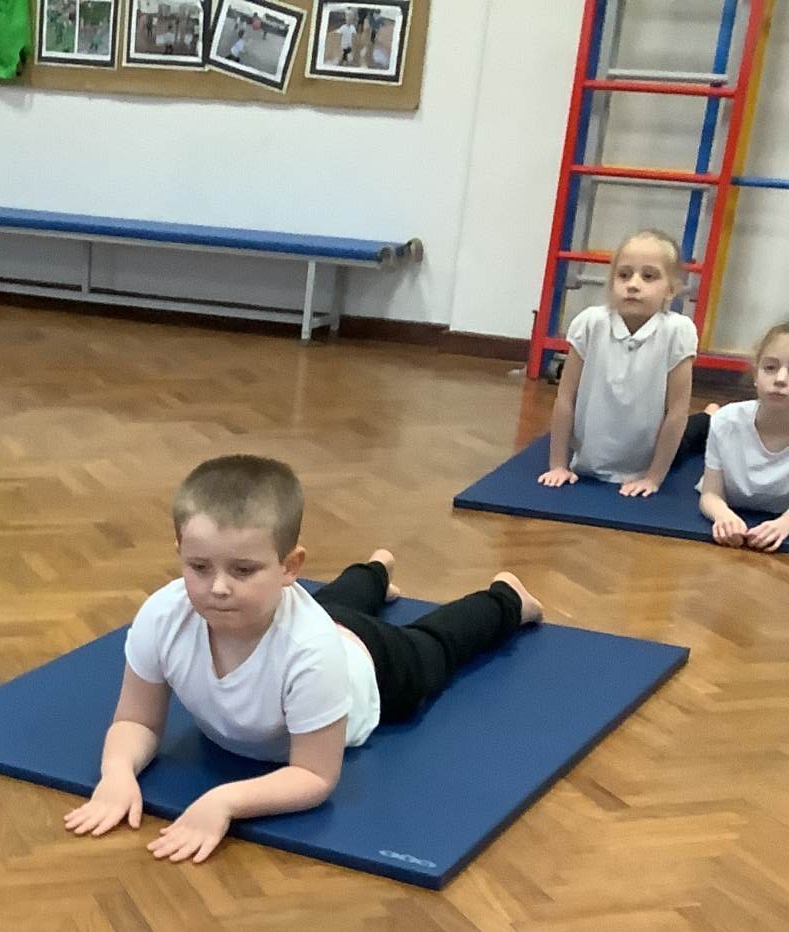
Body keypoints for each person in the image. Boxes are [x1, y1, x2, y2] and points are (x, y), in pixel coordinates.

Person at [64, 455, 541, 865]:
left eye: (243, 570)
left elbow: (314, 775)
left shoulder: (311, 651)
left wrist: (225, 801)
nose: (219, 587)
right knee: (334, 605)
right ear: (180, 554)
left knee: (434, 645)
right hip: (310, 622)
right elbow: (136, 721)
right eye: (199, 567)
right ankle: (376, 570)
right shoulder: (164, 615)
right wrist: (118, 773)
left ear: (290, 567)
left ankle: (508, 599)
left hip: (369, 664)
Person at [539, 229, 697, 497]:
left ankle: (711, 415)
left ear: (671, 289)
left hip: (651, 447)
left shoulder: (677, 331)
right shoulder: (590, 324)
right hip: (593, 454)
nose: (633, 284)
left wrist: (653, 478)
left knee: (693, 433)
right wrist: (558, 465)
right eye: (624, 275)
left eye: (649, 276)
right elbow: (565, 397)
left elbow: (677, 411)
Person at [697, 318, 789, 552]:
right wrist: (723, 516)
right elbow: (710, 494)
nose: (780, 379)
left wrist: (784, 524)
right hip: (723, 420)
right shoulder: (726, 422)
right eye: (770, 368)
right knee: (689, 437)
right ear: (756, 374)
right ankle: (709, 413)